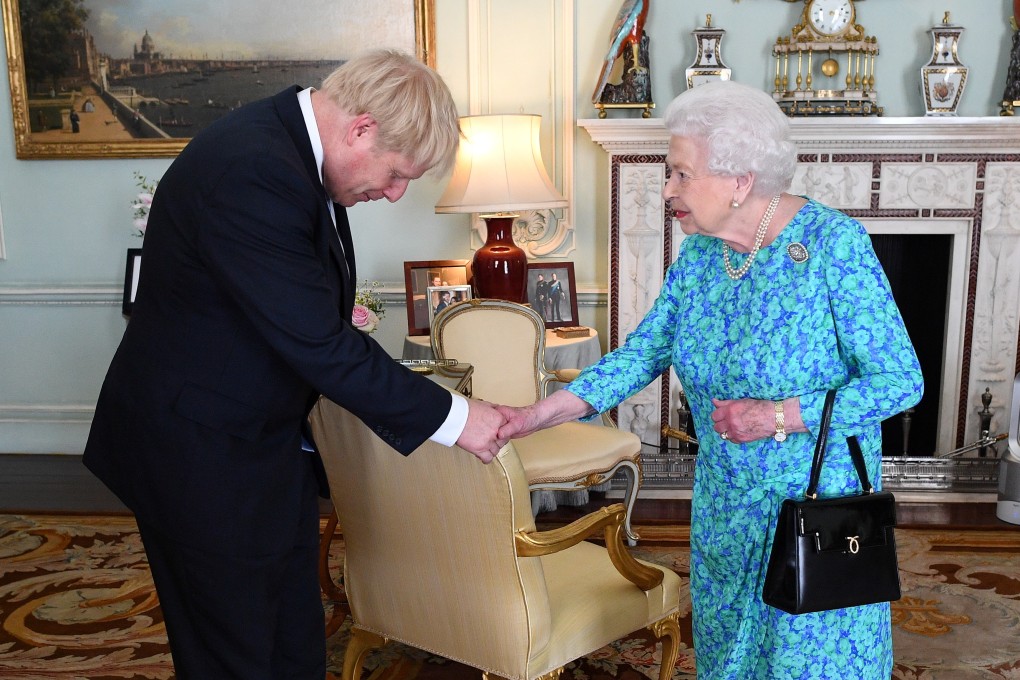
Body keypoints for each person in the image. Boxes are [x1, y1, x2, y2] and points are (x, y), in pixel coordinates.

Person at [84, 49, 506, 680]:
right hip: (195, 451)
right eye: (398, 174)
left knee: (292, 640)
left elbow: (311, 324)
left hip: (257, 442)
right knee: (234, 655)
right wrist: (458, 418)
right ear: (362, 129)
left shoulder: (293, 154)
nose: (394, 195)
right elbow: (320, 341)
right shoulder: (251, 167)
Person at [497, 80, 923, 679]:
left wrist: (775, 416)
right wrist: (534, 416)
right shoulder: (701, 257)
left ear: (740, 180)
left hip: (814, 509)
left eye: (680, 174)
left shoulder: (833, 245)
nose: (667, 189)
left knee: (808, 665)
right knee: (729, 660)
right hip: (726, 507)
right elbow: (640, 354)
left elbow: (899, 381)